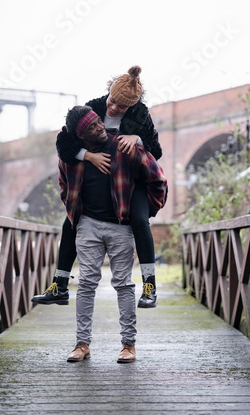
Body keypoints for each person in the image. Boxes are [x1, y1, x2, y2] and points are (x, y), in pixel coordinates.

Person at [32, 66, 163, 308]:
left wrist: (138, 138)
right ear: (108, 94)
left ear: (131, 106)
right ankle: (59, 286)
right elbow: (64, 141)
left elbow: (156, 152)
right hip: (104, 177)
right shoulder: (93, 106)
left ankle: (149, 287)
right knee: (71, 219)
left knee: (139, 220)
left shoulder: (141, 115)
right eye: (112, 102)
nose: (113, 109)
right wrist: (87, 156)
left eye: (121, 107)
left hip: (134, 180)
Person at [60, 106, 167, 363]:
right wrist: (77, 211)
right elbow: (64, 185)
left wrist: (143, 210)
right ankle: (82, 344)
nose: (99, 127)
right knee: (85, 284)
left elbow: (157, 178)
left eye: (99, 122)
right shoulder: (72, 157)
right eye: (92, 127)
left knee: (123, 284)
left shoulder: (123, 146)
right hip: (89, 225)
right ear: (81, 135)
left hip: (121, 225)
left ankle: (128, 345)